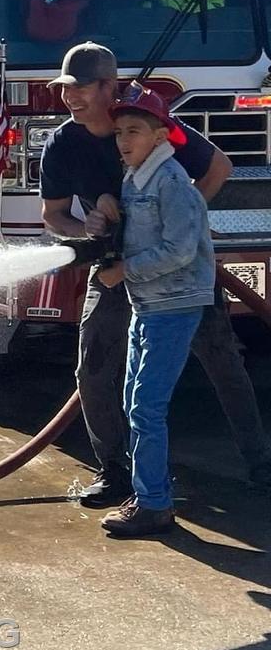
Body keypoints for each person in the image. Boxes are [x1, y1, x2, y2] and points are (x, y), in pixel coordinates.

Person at [39, 41, 271, 508]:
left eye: (81, 88)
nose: (71, 98)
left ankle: (260, 465)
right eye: (66, 89)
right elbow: (54, 215)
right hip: (113, 271)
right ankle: (116, 475)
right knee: (95, 368)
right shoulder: (64, 143)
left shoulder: (146, 124)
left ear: (110, 85)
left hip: (177, 276)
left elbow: (219, 167)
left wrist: (174, 224)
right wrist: (89, 226)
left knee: (222, 361)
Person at [96, 86, 214, 536]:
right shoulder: (134, 178)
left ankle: (154, 506)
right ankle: (148, 493)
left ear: (161, 135)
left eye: (135, 131)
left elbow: (181, 251)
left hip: (175, 305)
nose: (124, 140)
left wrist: (125, 270)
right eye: (120, 132)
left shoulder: (171, 183)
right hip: (148, 305)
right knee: (134, 401)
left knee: (146, 406)